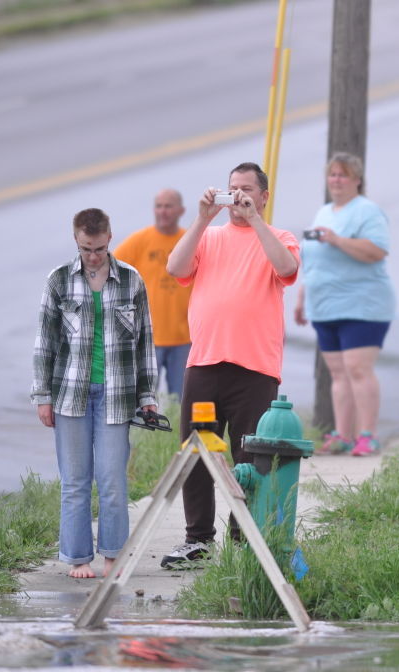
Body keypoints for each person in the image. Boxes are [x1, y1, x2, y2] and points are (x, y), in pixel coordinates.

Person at [161, 162, 300, 568]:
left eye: (246, 189)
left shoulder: (280, 237)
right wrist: (202, 220)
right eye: (232, 188)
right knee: (198, 452)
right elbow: (175, 268)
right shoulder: (210, 236)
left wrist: (256, 221)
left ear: (263, 196)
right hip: (204, 361)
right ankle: (198, 539)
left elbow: (286, 269)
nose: (238, 196)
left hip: (254, 368)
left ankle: (243, 541)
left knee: (249, 460)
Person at [31, 208, 158, 578]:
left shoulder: (131, 281)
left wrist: (148, 396)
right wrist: (42, 396)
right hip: (71, 394)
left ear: (109, 238)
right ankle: (78, 558)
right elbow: (45, 343)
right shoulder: (58, 281)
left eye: (100, 248)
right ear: (76, 240)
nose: (93, 256)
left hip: (117, 396)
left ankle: (114, 554)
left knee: (112, 479)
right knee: (75, 480)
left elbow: (145, 344)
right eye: (87, 248)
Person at [293, 152, 395, 457]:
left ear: (357, 180)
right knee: (337, 373)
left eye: (343, 175)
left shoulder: (367, 211)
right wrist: (302, 296)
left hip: (362, 305)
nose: (336, 180)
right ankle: (343, 434)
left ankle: (368, 435)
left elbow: (377, 251)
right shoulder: (324, 212)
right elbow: (312, 261)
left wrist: (338, 240)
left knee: (358, 369)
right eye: (332, 175)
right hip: (324, 305)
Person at [113, 188, 192, 399]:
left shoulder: (189, 241)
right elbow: (110, 271)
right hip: (147, 338)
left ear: (181, 210)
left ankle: (177, 432)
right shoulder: (140, 241)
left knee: (182, 399)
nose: (163, 211)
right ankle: (143, 432)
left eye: (168, 206)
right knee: (143, 398)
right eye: (159, 206)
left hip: (184, 338)